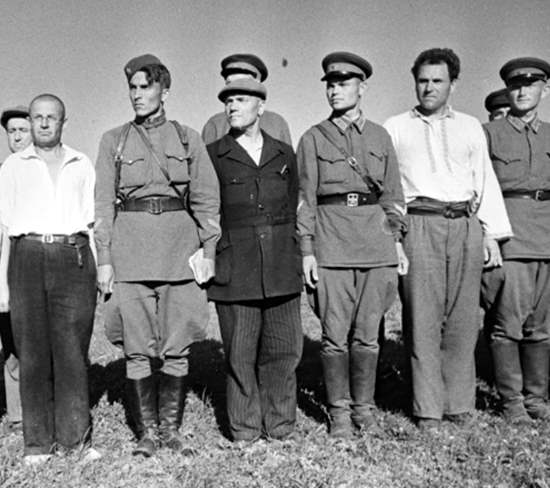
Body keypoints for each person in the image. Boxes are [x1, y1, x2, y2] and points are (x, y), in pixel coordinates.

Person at [95, 54, 220, 457]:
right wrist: (104, 259)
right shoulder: (114, 140)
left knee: (177, 344)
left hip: (179, 254)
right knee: (135, 346)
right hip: (130, 255)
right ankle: (147, 433)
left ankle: (171, 430)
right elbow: (103, 206)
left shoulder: (187, 138)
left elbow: (206, 200)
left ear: (164, 90)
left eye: (145, 86)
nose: (137, 95)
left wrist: (209, 250)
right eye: (132, 87)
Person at [384, 48, 512, 431]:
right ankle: (428, 409)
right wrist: (394, 238)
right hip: (419, 224)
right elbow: (389, 189)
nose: (429, 88)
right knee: (422, 318)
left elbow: (484, 180)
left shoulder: (470, 127)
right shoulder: (395, 127)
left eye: (437, 81)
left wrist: (490, 234)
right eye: (422, 81)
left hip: (464, 225)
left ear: (453, 84)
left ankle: (458, 404)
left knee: (462, 319)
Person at [297, 52, 408, 438]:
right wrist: (307, 250)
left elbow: (393, 195)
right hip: (332, 247)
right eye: (330, 84)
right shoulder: (313, 138)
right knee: (334, 337)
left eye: (343, 83)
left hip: (376, 246)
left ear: (363, 87)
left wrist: (396, 242)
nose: (335, 90)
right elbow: (305, 200)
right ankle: (339, 412)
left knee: (367, 335)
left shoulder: (380, 137)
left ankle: (365, 409)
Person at [0, 94, 98, 465]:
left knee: (72, 349)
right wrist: (2, 284)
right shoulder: (13, 166)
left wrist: (99, 269)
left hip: (72, 255)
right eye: (37, 117)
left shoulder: (81, 163)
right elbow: (5, 229)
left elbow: (91, 222)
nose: (43, 123)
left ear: (63, 123)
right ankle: (37, 444)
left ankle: (75, 440)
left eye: (50, 117)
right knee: (32, 352)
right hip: (26, 256)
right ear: (30, 121)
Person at [207, 78, 303, 444]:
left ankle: (280, 425)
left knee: (284, 348)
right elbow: (206, 208)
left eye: (241, 100)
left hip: (280, 262)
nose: (232, 106)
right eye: (228, 101)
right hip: (236, 265)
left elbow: (293, 203)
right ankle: (245, 429)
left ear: (261, 107)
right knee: (240, 352)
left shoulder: (283, 153)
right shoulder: (213, 155)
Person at [481, 57, 550, 424]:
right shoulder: (488, 133)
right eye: (516, 85)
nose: (523, 91)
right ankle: (511, 402)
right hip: (511, 238)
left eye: (531, 84)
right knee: (507, 325)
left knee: (541, 327)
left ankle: (536, 399)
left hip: (547, 239)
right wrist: (487, 234)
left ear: (544, 89)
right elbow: (477, 188)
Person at [0, 105, 31, 432]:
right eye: (12, 131)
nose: (18, 136)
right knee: (11, 343)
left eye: (23, 130)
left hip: (37, 268)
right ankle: (17, 414)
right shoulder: (3, 174)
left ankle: (43, 407)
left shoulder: (46, 174)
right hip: (5, 272)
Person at [202, 53, 292, 145]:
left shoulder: (277, 124)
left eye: (241, 83)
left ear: (257, 85)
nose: (234, 88)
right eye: (229, 84)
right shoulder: (215, 125)